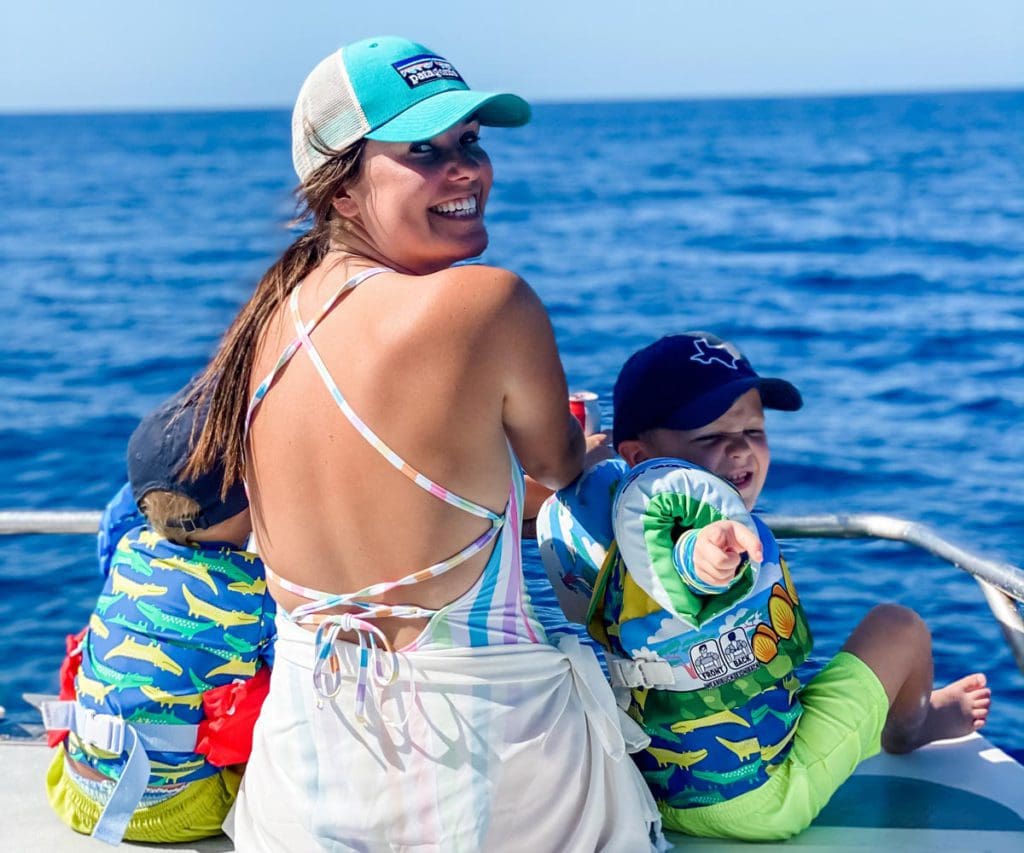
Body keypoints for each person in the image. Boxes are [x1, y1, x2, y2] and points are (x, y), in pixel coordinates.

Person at [183, 35, 664, 851]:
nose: (466, 170)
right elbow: (556, 465)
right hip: (486, 780)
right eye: (425, 152)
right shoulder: (488, 304)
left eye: (470, 143)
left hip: (301, 786)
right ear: (340, 190)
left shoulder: (259, 332)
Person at [538, 332, 991, 840]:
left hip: (656, 788)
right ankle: (908, 729)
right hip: (766, 798)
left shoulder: (617, 522)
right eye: (710, 437)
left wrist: (595, 459)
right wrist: (708, 554)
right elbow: (683, 565)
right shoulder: (691, 546)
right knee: (897, 626)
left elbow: (614, 487)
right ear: (645, 459)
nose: (739, 449)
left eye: (754, 430)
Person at [42, 388, 276, 845]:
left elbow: (120, 516)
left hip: (75, 788)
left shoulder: (126, 550)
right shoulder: (258, 591)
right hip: (176, 811)